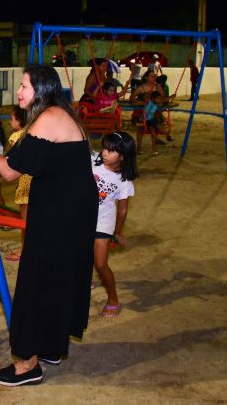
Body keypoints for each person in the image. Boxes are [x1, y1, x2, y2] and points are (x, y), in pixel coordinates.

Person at [0, 64, 98, 387]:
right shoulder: (59, 114)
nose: (19, 91)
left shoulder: (47, 119)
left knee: (36, 280)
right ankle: (52, 346)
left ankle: (27, 365)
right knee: (57, 278)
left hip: (62, 214)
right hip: (70, 209)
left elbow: (8, 171)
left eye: (24, 86)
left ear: (42, 91)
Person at [91, 131, 137, 317]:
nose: (104, 152)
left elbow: (123, 210)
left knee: (101, 264)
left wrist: (117, 232)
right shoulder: (93, 160)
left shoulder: (123, 181)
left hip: (103, 223)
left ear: (123, 156)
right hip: (83, 218)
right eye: (104, 147)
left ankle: (113, 299)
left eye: (110, 151)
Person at [5, 105, 30, 262]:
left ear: (19, 120)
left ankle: (24, 250)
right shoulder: (32, 133)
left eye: (11, 119)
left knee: (24, 222)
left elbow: (15, 163)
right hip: (38, 180)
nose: (9, 122)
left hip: (27, 184)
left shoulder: (16, 137)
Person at [137, 91, 164, 156]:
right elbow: (145, 112)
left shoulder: (155, 103)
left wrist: (170, 97)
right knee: (143, 129)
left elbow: (161, 102)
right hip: (145, 119)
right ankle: (140, 148)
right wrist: (142, 119)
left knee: (156, 126)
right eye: (158, 99)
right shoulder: (149, 104)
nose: (159, 100)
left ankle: (164, 136)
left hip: (151, 119)